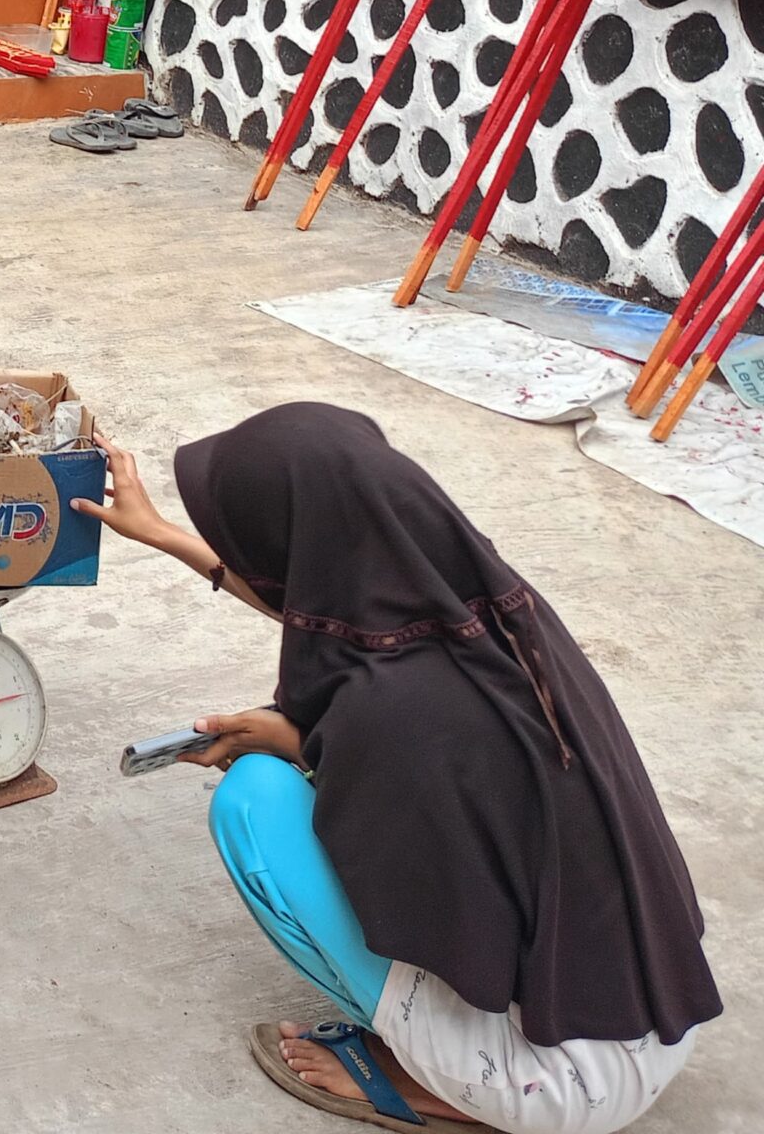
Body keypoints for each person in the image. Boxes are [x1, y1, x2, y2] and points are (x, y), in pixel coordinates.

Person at [74, 404, 718, 1134]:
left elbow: (405, 881)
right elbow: (330, 607)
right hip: (655, 1013)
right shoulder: (493, 610)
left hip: (561, 1083)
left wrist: (300, 745)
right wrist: (163, 535)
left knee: (255, 802)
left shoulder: (394, 717)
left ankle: (441, 1087)